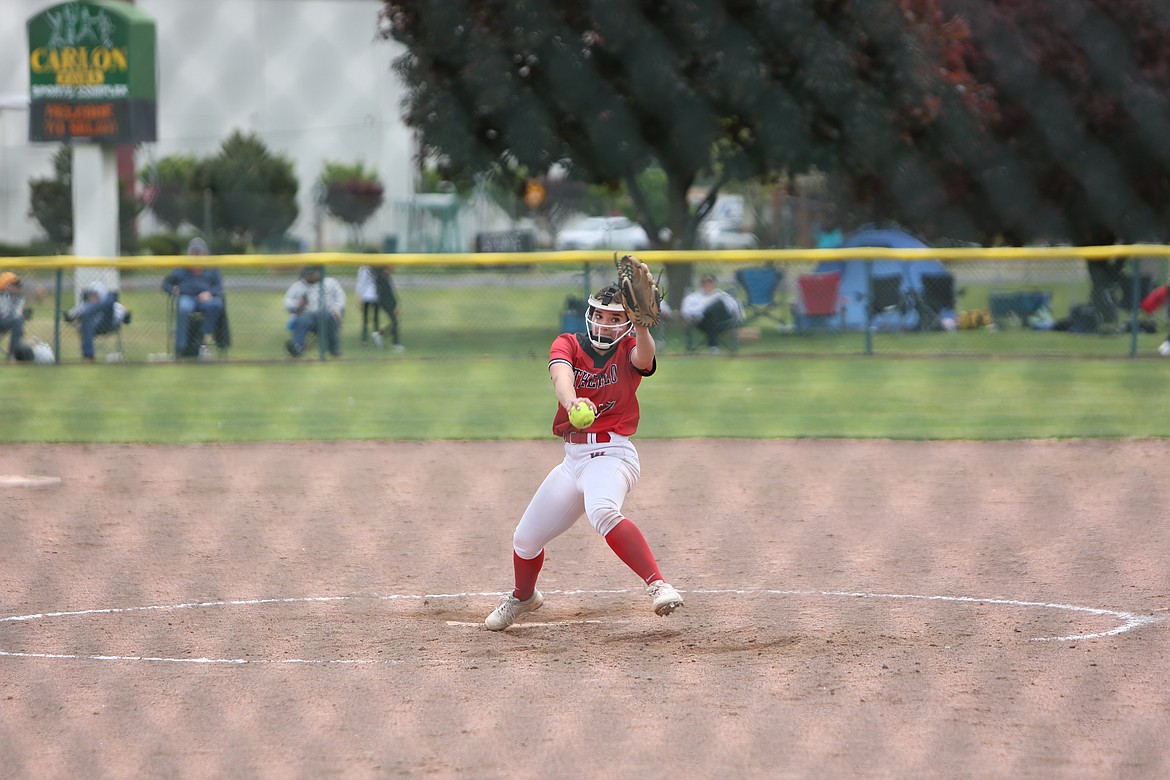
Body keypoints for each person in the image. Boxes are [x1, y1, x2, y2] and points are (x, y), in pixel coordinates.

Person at [485, 260, 684, 631]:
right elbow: (561, 375)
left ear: (627, 322)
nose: (605, 324)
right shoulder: (569, 343)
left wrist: (641, 327)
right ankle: (523, 597)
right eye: (600, 316)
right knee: (525, 539)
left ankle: (658, 584)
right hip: (573, 458)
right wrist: (572, 402)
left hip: (612, 453)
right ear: (588, 315)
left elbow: (644, 358)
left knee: (603, 510)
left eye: (615, 318)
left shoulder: (630, 347)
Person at [161, 238, 226, 357]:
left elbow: (219, 286)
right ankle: (181, 347)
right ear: (189, 254)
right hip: (187, 297)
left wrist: (209, 293)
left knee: (216, 304)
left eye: (199, 253)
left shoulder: (212, 267)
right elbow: (166, 284)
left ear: (205, 254)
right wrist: (173, 290)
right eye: (193, 252)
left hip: (205, 299)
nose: (196, 255)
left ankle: (202, 335)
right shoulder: (181, 268)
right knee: (184, 307)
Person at [284, 265, 346, 357]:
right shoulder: (299, 285)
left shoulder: (330, 283)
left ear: (319, 273)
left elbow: (341, 299)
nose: (309, 276)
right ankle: (297, 348)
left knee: (326, 315)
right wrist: (298, 304)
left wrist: (337, 309)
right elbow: (287, 302)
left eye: (312, 274)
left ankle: (334, 348)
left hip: (328, 315)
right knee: (302, 320)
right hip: (308, 317)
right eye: (307, 274)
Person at [64, 281, 131, 361]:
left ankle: (108, 299)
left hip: (107, 324)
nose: (91, 296)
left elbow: (125, 318)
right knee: (86, 315)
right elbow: (69, 317)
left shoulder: (114, 306)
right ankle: (89, 356)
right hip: (90, 328)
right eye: (90, 294)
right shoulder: (84, 306)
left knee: (109, 303)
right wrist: (76, 317)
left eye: (94, 294)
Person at [680, 273, 743, 353]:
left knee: (718, 303)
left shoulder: (722, 295)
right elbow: (685, 311)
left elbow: (734, 308)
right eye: (704, 282)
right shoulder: (693, 297)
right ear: (701, 284)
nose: (707, 284)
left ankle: (713, 345)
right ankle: (713, 345)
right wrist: (705, 307)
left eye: (710, 281)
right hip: (703, 322)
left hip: (723, 322)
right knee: (711, 309)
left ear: (714, 283)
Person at [356, 264, 404, 352]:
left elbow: (391, 292)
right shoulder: (381, 277)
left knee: (394, 322)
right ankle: (395, 344)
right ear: (387, 267)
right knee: (394, 322)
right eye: (393, 267)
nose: (394, 269)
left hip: (387, 301)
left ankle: (380, 334)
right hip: (385, 302)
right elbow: (387, 293)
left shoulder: (386, 277)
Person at [0, 271, 26, 362]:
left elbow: (18, 313)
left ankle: (12, 355)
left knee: (18, 321)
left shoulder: (20, 298)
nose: (16, 288)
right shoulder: (3, 295)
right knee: (17, 320)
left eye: (17, 286)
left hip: (6, 321)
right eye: (12, 285)